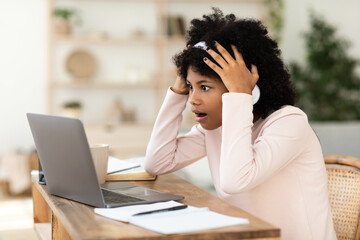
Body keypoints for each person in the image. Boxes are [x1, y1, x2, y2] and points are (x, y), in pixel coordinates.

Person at [144, 8, 336, 239]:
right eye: (190, 86)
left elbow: (235, 181)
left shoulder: (290, 123)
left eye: (204, 87)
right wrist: (177, 91)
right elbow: (157, 162)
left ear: (249, 89)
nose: (192, 99)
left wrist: (239, 96)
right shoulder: (218, 127)